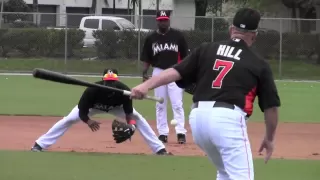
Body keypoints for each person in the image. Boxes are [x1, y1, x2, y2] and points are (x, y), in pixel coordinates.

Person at [130, 8, 280, 180]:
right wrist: (269, 138)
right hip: (227, 120)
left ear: (232, 30)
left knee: (224, 173)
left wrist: (146, 85)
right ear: (254, 35)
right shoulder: (258, 63)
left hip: (198, 120)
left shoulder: (207, 49)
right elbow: (271, 109)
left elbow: (175, 71)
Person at [31, 68, 171, 155]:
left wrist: (132, 125)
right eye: (108, 81)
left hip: (117, 107)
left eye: (112, 82)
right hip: (93, 107)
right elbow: (82, 111)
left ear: (117, 81)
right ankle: (39, 145)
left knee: (139, 118)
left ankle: (159, 149)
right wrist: (89, 121)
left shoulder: (124, 91)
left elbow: (129, 113)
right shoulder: (92, 90)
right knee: (68, 120)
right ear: (103, 80)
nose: (110, 84)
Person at [140, 10, 189, 144]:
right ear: (157, 21)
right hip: (158, 71)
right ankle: (163, 133)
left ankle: (180, 133)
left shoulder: (178, 36)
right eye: (161, 20)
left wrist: (186, 72)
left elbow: (186, 57)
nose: (163, 22)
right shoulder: (151, 38)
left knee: (177, 103)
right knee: (160, 103)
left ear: (169, 20)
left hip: (175, 71)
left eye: (165, 20)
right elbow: (147, 57)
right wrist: (144, 71)